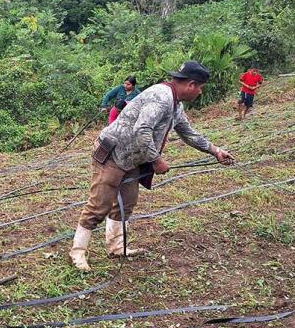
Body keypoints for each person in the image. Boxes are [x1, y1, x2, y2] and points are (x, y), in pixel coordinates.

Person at [69, 61, 235, 271]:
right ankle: (77, 252)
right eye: (200, 87)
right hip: (113, 153)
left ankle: (117, 247)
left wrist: (215, 151)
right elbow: (142, 129)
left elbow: (188, 133)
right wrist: (156, 160)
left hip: (132, 158)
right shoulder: (161, 98)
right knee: (99, 205)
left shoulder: (176, 106)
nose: (200, 92)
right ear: (191, 84)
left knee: (127, 202)